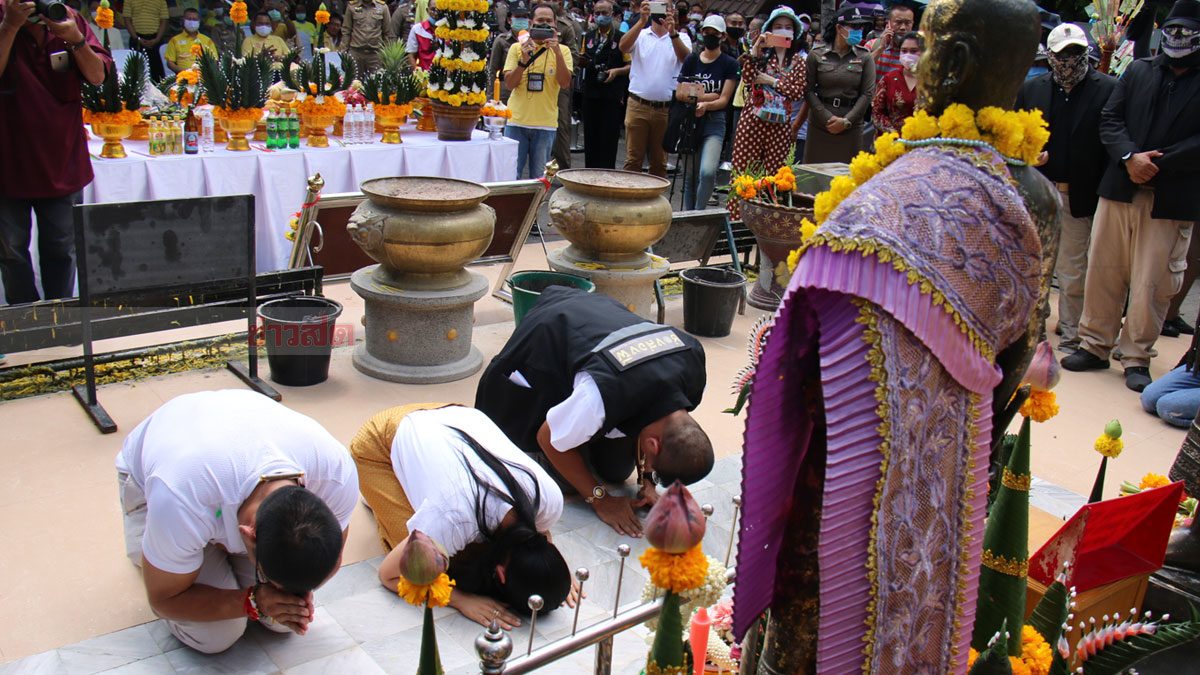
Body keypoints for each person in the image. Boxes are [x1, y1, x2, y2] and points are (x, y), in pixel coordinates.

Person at [730, 0, 1057, 668]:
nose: (912, 60)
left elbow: (813, 332)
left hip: (839, 461)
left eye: (925, 46)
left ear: (954, 62)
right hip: (948, 464)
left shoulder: (892, 183)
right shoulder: (1030, 198)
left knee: (809, 628)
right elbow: (1014, 359)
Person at [115, 391, 359, 653]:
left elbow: (333, 555)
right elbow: (164, 599)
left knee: (280, 621)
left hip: (228, 457)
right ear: (248, 535)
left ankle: (209, 553)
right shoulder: (181, 497)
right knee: (217, 636)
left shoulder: (336, 478)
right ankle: (174, 548)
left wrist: (297, 595)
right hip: (162, 473)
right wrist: (253, 602)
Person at [475, 287, 713, 536]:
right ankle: (570, 438)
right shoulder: (601, 392)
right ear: (653, 444)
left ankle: (579, 433)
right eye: (651, 459)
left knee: (616, 470)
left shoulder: (693, 364)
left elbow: (658, 421)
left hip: (593, 326)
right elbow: (548, 437)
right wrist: (601, 500)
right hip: (541, 352)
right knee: (565, 481)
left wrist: (648, 481)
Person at [1061, 0, 1200, 393]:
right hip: (1120, 186)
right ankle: (1094, 344)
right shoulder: (1139, 70)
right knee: (1103, 269)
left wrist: (1158, 163)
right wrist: (1129, 157)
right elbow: (1110, 118)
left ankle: (1136, 356)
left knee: (1152, 282)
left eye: (1187, 32)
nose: (1177, 38)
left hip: (1168, 197)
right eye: (1172, 29)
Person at [352, 403, 572, 629]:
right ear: (500, 574)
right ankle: (387, 481)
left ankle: (403, 483)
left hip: (451, 413)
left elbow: (542, 535)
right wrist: (460, 600)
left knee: (451, 548)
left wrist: (549, 574)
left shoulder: (550, 501)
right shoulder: (454, 520)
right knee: (421, 564)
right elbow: (388, 575)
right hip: (381, 440)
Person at [1015, 22, 1116, 355]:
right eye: (1063, 54)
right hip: (1038, 189)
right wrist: (1028, 155)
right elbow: (1015, 135)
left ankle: (1072, 332)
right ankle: (1033, 325)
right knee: (1034, 262)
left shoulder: (1107, 89)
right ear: (1051, 55)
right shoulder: (1032, 89)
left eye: (1076, 52)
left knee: (1073, 269)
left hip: (1079, 193)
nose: (1070, 60)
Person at [0, 0, 107, 308]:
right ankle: (26, 321)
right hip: (8, 161)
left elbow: (98, 76)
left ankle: (59, 319)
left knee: (62, 250)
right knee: (11, 252)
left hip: (62, 159)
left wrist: (75, 39)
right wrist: (10, 25)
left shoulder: (65, 17)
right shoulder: (4, 16)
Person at [726, 5, 805, 218]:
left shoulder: (798, 61)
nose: (783, 30)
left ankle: (766, 223)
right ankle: (737, 222)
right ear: (769, 29)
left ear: (795, 32)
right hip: (752, 121)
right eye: (778, 26)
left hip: (780, 127)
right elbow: (748, 77)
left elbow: (798, 91)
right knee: (743, 173)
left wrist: (772, 81)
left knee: (774, 178)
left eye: (788, 27)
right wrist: (756, 49)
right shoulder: (761, 55)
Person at [620, 0, 692, 177]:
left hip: (665, 108)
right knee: (633, 159)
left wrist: (672, 32)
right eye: (657, 5)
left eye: (666, 6)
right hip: (637, 105)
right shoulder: (641, 33)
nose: (662, 10)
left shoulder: (682, 37)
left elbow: (686, 59)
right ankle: (630, 193)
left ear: (673, 10)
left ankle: (655, 196)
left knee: (659, 162)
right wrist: (641, 20)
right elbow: (623, 46)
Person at [503, 2, 573, 178]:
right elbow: (509, 84)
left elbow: (565, 83)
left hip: (545, 125)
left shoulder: (564, 51)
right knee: (510, 175)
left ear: (555, 24)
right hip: (516, 122)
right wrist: (523, 61)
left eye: (549, 21)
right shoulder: (517, 48)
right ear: (531, 23)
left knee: (539, 179)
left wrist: (557, 52)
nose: (545, 24)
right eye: (540, 20)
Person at [677, 14, 737, 210]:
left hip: (714, 122)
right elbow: (680, 93)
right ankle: (689, 216)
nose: (710, 36)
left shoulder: (729, 63)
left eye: (715, 33)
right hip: (690, 121)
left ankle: (699, 213)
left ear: (723, 36)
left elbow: (724, 99)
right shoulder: (692, 60)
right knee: (690, 175)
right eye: (706, 32)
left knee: (707, 172)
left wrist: (704, 102)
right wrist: (710, 96)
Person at [802, 5, 874, 165]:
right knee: (814, 174)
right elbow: (808, 90)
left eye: (861, 27)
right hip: (820, 124)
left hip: (851, 125)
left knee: (847, 174)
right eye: (854, 27)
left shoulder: (865, 57)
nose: (858, 31)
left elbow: (867, 94)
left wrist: (846, 121)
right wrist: (826, 117)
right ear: (839, 28)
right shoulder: (816, 54)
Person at [580, 0, 629, 168]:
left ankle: (607, 175)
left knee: (608, 140)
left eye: (605, 13)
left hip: (611, 95)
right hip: (591, 93)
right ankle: (589, 175)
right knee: (590, 138)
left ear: (612, 14)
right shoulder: (588, 36)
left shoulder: (621, 38)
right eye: (597, 13)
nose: (601, 16)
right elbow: (582, 58)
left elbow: (630, 65)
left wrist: (616, 71)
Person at [546, 0, 579, 170]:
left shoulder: (566, 27)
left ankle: (563, 168)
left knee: (561, 124)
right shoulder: (532, 22)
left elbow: (574, 55)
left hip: (559, 82)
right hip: (536, 82)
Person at [869, 30, 921, 135]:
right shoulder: (889, 79)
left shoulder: (932, 82)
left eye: (913, 51)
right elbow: (877, 113)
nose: (908, 55)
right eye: (904, 51)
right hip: (892, 140)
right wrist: (895, 134)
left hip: (924, 140)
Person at [865, 1, 913, 81]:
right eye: (898, 22)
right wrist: (880, 48)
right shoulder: (872, 44)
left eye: (908, 23)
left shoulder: (917, 51)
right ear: (889, 24)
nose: (903, 28)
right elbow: (859, 69)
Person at [123, 0, 168, 81]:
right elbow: (127, 20)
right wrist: (137, 38)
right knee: (136, 72)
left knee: (158, 71)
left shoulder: (161, 1)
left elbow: (164, 21)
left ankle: (158, 88)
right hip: (136, 38)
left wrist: (157, 39)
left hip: (156, 38)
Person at [342, 0, 392, 72]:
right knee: (354, 78)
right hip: (356, 53)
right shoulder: (352, 6)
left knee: (377, 78)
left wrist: (386, 55)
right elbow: (346, 31)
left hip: (375, 54)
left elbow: (387, 33)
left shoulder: (383, 7)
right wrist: (344, 54)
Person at [489, 0, 524, 100]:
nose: (522, 20)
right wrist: (491, 97)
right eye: (518, 17)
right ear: (509, 20)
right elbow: (492, 71)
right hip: (505, 93)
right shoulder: (501, 40)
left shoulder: (533, 41)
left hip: (526, 93)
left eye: (525, 17)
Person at [164, 8, 214, 72]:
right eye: (189, 19)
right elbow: (170, 63)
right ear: (183, 21)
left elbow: (214, 61)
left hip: (204, 76)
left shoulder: (207, 40)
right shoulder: (174, 40)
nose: (192, 22)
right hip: (183, 75)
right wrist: (185, 72)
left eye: (194, 19)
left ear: (199, 21)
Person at [404, 0, 435, 69]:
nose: (436, 13)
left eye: (439, 10)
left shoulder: (449, 31)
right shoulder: (417, 29)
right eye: (433, 9)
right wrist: (417, 73)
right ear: (427, 10)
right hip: (423, 73)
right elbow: (411, 55)